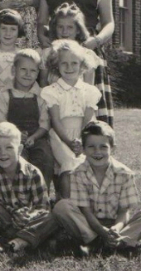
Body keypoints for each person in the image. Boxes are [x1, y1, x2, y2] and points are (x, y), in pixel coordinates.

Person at [38, 0, 115, 126]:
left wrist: (95, 41)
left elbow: (109, 23)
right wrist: (45, 41)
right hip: (58, 58)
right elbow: (42, 22)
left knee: (92, 118)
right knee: (58, 116)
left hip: (86, 55)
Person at [52, 121, 141, 255]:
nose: (97, 152)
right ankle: (101, 242)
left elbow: (123, 212)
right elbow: (86, 212)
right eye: (91, 147)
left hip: (116, 224)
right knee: (61, 206)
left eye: (103, 147)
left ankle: (112, 242)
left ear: (112, 148)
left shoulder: (125, 174)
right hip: (89, 224)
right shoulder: (77, 174)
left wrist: (116, 228)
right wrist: (102, 231)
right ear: (83, 149)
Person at [0, 122, 57, 255]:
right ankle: (29, 240)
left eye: (9, 147)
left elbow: (42, 207)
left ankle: (13, 243)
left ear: (20, 149)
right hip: (8, 220)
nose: (3, 153)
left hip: (30, 220)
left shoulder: (33, 173)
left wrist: (28, 215)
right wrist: (16, 214)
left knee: (53, 217)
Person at [41, 39, 101, 198]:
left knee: (89, 167)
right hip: (61, 136)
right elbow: (55, 121)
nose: (69, 68)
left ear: (82, 65)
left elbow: (88, 119)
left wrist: (81, 139)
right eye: (64, 63)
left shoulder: (89, 91)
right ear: (56, 65)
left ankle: (88, 203)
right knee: (69, 167)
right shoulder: (52, 91)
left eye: (74, 63)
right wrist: (69, 142)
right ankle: (66, 202)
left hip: (85, 133)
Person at [0, 49, 56, 196]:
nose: (28, 74)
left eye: (33, 71)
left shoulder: (41, 95)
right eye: (23, 69)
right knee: (17, 161)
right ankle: (19, 197)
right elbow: (1, 121)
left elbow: (45, 123)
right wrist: (15, 135)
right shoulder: (4, 94)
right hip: (12, 139)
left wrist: (34, 137)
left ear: (37, 73)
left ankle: (42, 197)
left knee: (45, 158)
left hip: (37, 137)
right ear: (13, 70)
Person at [39, 1, 99, 86]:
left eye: (70, 27)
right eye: (60, 27)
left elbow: (89, 87)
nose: (64, 31)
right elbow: (43, 82)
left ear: (78, 30)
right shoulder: (48, 53)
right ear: (55, 28)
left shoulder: (87, 54)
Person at [0, 9, 24, 89]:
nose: (8, 33)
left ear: (18, 31)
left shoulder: (22, 55)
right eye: (3, 28)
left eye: (13, 29)